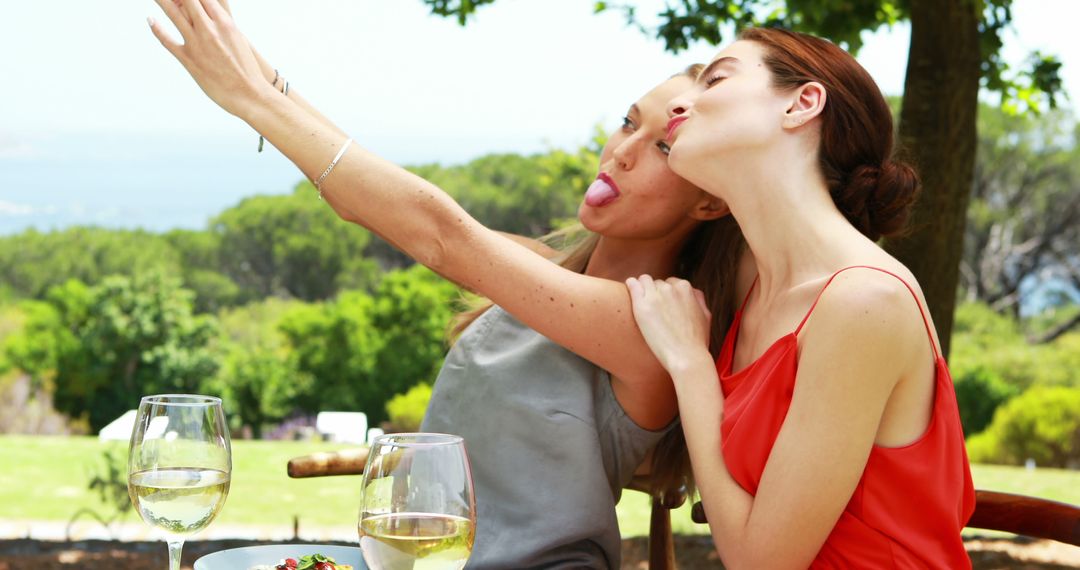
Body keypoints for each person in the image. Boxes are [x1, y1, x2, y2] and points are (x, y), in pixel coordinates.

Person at [146, 1, 745, 567]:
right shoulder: (547, 272)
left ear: (711, 201)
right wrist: (260, 76)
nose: (621, 153)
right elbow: (371, 201)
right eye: (627, 123)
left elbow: (440, 233)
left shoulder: (648, 328)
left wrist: (249, 98)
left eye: (665, 146)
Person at [625, 27, 975, 568]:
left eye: (716, 78)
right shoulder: (754, 284)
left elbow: (761, 563)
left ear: (801, 103)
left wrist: (691, 365)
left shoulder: (864, 302)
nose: (681, 101)